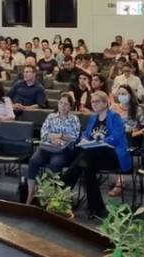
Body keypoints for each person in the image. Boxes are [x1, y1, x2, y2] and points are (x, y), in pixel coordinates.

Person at [62, 91, 132, 219]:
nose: (94, 104)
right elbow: (86, 134)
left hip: (113, 155)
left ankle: (62, 186)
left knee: (87, 154)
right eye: (92, 102)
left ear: (105, 103)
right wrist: (84, 139)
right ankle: (97, 208)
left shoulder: (115, 117)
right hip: (94, 156)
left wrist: (97, 142)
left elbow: (115, 138)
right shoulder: (93, 117)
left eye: (97, 101)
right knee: (87, 165)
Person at [26, 93, 81, 206]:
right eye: (61, 103)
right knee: (33, 161)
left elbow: (74, 137)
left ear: (71, 106)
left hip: (63, 149)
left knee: (55, 164)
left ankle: (53, 196)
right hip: (47, 146)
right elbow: (44, 133)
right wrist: (55, 137)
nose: (63, 106)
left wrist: (58, 136)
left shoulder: (74, 119)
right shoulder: (51, 117)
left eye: (66, 104)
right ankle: (30, 194)